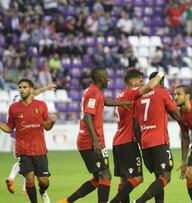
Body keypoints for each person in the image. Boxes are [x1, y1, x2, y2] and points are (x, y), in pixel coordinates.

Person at [57, 67, 131, 203]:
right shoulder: (93, 93)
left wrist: (123, 103)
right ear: (101, 78)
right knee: (106, 176)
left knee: (98, 178)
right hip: (91, 142)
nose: (109, 79)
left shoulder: (95, 92)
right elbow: (87, 117)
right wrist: (96, 142)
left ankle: (67, 201)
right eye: (106, 76)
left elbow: (105, 101)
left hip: (91, 140)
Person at [0, 78, 57, 203]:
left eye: (25, 87)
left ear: (31, 90)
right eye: (20, 87)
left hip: (39, 149)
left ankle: (43, 192)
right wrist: (0, 124)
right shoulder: (13, 108)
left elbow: (47, 127)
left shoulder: (41, 105)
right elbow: (10, 128)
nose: (22, 89)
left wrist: (52, 122)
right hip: (22, 149)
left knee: (44, 181)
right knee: (29, 177)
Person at [109, 68, 165, 203]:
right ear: (133, 81)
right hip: (128, 142)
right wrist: (161, 74)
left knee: (124, 180)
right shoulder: (130, 93)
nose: (142, 83)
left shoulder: (120, 95)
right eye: (140, 81)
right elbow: (150, 86)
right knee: (137, 178)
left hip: (117, 142)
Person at [132, 71, 181, 203]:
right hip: (159, 141)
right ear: (161, 81)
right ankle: (139, 201)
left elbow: (135, 125)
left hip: (145, 142)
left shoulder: (139, 97)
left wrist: (141, 144)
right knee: (166, 176)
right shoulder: (163, 92)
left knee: (158, 178)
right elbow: (177, 115)